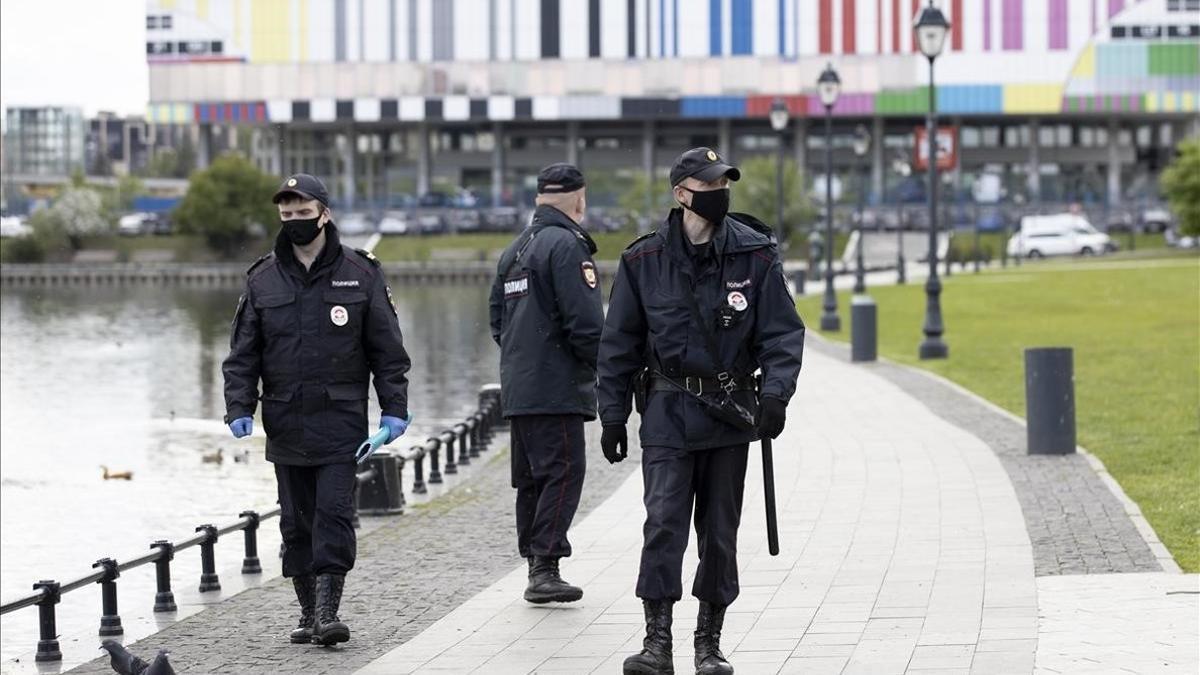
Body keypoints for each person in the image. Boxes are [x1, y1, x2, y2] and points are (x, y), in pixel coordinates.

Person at [597, 148, 805, 675]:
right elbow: (618, 343)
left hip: (730, 416)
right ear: (681, 194)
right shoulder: (643, 261)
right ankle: (656, 642)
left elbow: (782, 334)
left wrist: (777, 395)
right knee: (663, 525)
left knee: (719, 533)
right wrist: (613, 415)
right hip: (667, 414)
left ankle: (709, 643)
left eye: (724, 181)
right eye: (708, 183)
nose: (720, 191)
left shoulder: (754, 255)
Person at [222, 173, 412, 646]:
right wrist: (238, 405)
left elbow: (387, 352)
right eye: (286, 215)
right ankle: (306, 614)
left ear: (324, 214)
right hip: (285, 424)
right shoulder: (263, 278)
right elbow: (243, 354)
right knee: (295, 523)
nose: (294, 222)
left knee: (333, 516)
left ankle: (329, 613)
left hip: (341, 423)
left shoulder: (361, 273)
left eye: (303, 214)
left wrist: (394, 411)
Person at [488, 163, 604, 604]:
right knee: (563, 472)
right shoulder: (566, 246)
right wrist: (610, 373)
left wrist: (525, 359)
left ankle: (537, 563)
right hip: (556, 387)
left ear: (539, 199)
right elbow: (587, 324)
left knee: (533, 477)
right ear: (579, 199)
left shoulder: (516, 249)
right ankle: (546, 565)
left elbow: (497, 321)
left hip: (520, 387)